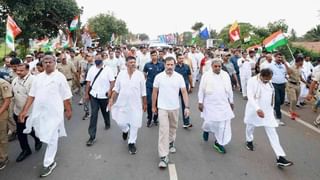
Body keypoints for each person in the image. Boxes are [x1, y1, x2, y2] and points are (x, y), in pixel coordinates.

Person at [19, 55, 72, 177]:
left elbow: (66, 96)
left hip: (55, 113)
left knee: (52, 138)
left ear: (54, 63)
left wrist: (68, 110)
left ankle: (48, 163)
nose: (47, 64)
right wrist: (24, 111)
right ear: (42, 64)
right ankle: (43, 146)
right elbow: (32, 96)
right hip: (39, 112)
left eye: (50, 62)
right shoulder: (38, 78)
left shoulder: (60, 77)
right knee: (40, 133)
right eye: (45, 62)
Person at [244, 68, 293, 167]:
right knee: (250, 126)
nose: (267, 81)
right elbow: (250, 96)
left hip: (267, 112)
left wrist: (272, 109)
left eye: (269, 79)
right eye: (266, 79)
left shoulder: (269, 82)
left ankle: (280, 157)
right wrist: (257, 109)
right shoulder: (252, 81)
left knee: (273, 133)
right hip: (254, 110)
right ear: (261, 75)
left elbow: (271, 96)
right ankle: (249, 140)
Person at [152, 57, 190, 168]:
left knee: (173, 127)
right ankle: (163, 157)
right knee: (163, 131)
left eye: (171, 64)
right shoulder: (158, 77)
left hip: (175, 107)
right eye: (167, 64)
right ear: (164, 65)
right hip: (162, 107)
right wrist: (153, 106)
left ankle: (171, 142)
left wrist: (187, 107)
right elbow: (154, 92)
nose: (169, 67)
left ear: (174, 65)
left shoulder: (179, 77)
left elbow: (184, 92)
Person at [108, 56, 147, 154]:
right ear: (126, 64)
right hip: (123, 103)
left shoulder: (140, 75)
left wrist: (145, 103)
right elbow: (116, 89)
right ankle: (125, 130)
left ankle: (131, 143)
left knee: (135, 123)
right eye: (131, 62)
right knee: (121, 122)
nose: (133, 64)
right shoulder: (121, 74)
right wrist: (112, 99)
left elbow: (143, 91)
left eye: (134, 62)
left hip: (136, 104)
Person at [198, 59, 234, 154]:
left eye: (219, 66)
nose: (218, 68)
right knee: (210, 121)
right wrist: (200, 102)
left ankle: (219, 143)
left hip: (223, 103)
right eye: (215, 66)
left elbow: (229, 89)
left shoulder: (225, 75)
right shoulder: (206, 75)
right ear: (212, 66)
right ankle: (206, 129)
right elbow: (201, 90)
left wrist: (231, 101)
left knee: (223, 124)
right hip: (210, 103)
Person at [12, 63, 42, 162]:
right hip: (17, 111)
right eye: (17, 70)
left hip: (29, 112)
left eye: (21, 71)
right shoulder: (15, 80)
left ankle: (38, 139)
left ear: (27, 70)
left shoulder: (33, 80)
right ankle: (26, 150)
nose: (18, 72)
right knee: (21, 132)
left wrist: (24, 112)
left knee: (29, 129)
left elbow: (31, 97)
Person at [85, 54, 115, 146]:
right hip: (94, 95)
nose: (97, 60)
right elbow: (88, 82)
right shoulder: (91, 69)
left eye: (99, 58)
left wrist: (110, 91)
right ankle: (92, 136)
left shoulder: (108, 69)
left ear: (102, 59)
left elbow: (112, 81)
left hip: (104, 95)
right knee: (94, 115)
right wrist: (86, 94)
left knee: (105, 112)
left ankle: (107, 122)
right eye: (96, 58)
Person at [143, 50, 165, 127]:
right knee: (149, 103)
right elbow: (145, 74)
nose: (154, 56)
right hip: (149, 86)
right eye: (152, 55)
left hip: (159, 87)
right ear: (150, 56)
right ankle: (149, 118)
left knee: (158, 103)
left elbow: (164, 75)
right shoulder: (147, 65)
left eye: (155, 55)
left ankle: (155, 118)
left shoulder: (162, 65)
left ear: (157, 56)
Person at [269, 53, 290, 126]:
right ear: (275, 58)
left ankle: (275, 108)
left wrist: (285, 64)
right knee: (277, 101)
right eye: (278, 57)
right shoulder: (271, 66)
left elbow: (289, 72)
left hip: (282, 84)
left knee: (281, 101)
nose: (280, 59)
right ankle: (278, 118)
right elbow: (268, 74)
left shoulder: (284, 65)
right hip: (274, 84)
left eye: (281, 57)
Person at [175, 53, 193, 128]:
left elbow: (189, 76)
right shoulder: (173, 67)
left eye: (182, 58)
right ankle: (172, 121)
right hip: (175, 88)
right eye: (180, 58)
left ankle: (186, 122)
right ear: (177, 59)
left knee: (185, 105)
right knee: (174, 105)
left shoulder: (186, 66)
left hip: (184, 88)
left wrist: (191, 85)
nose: (181, 60)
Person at [0, 78, 12, 170]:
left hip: (1, 114)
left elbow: (7, 101)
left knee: (1, 137)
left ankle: (3, 158)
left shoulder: (3, 83)